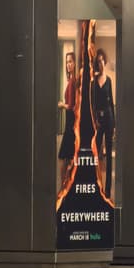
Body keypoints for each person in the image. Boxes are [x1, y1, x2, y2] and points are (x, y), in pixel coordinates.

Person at [90, 49, 115, 200]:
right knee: (96, 154)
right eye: (97, 61)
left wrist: (115, 123)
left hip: (109, 119)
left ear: (104, 62)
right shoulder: (93, 83)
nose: (100, 63)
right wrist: (95, 120)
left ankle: (107, 190)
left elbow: (111, 102)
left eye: (101, 60)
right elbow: (92, 104)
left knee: (109, 155)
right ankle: (95, 185)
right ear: (96, 64)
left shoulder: (110, 80)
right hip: (98, 121)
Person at [57, 51, 80, 191]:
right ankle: (66, 188)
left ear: (75, 63)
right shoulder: (72, 79)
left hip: (71, 124)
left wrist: (61, 104)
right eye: (67, 62)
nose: (68, 64)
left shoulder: (73, 81)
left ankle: (63, 189)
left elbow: (71, 106)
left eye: (70, 61)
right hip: (71, 124)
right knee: (68, 158)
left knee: (64, 158)